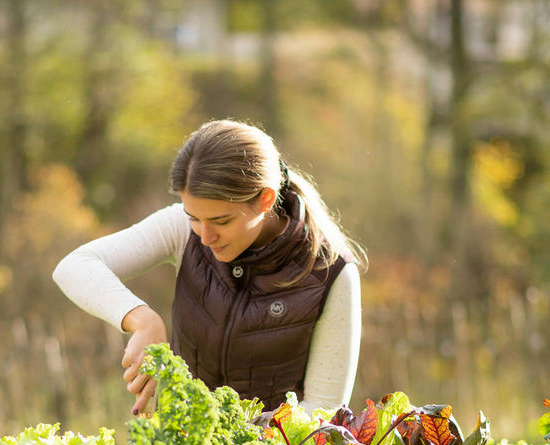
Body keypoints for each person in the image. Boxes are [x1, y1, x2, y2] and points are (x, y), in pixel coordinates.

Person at [52, 119, 364, 416]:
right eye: (194, 217)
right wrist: (143, 321)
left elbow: (323, 415)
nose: (205, 235)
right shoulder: (183, 229)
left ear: (265, 199)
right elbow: (75, 266)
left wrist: (221, 437)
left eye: (222, 221)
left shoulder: (331, 272)